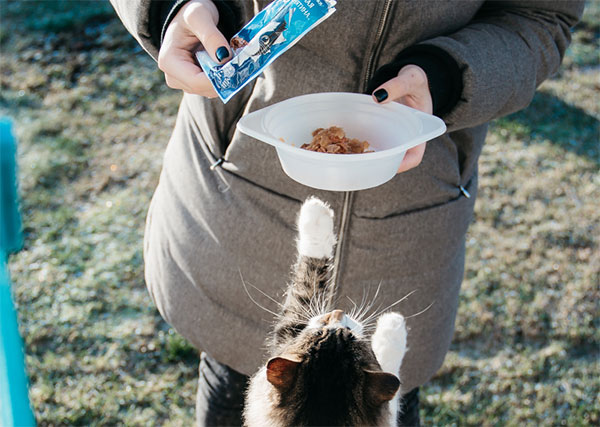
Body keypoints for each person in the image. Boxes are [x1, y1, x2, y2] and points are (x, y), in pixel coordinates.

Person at [110, 1, 584, 425]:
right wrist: (171, 9)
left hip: (412, 222)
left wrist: (447, 75)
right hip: (238, 207)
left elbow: (543, 18)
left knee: (382, 391)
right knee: (233, 379)